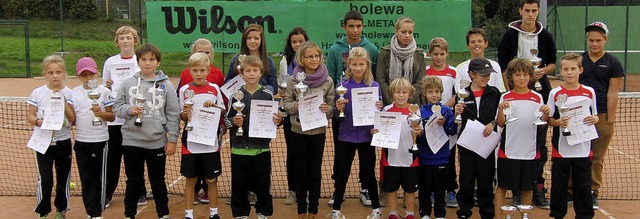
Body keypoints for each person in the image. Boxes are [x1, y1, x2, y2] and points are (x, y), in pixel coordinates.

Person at [497, 0, 557, 208]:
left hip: (538, 91)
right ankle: (515, 190)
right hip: (515, 94)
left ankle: (537, 187)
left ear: (538, 12)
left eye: (534, 11)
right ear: (520, 11)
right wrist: (509, 91)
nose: (530, 14)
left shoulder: (545, 36)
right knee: (513, 141)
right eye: (527, 11)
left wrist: (542, 72)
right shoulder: (510, 35)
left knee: (538, 144)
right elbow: (504, 66)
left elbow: (552, 63)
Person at [113, 43, 180, 219]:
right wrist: (130, 110)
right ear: (138, 61)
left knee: (158, 181)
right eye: (144, 59)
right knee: (133, 181)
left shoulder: (167, 86)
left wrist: (172, 139)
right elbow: (117, 108)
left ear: (158, 62)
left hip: (157, 142)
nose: (148, 63)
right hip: (132, 141)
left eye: (152, 59)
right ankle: (129, 214)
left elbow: (173, 113)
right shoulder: (127, 83)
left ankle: (163, 214)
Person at [326, 10, 379, 207]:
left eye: (358, 26)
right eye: (351, 26)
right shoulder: (334, 49)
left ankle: (366, 188)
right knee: (341, 153)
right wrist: (336, 104)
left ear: (362, 26)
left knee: (367, 154)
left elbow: (375, 76)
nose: (355, 30)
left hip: (366, 115)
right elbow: (330, 78)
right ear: (344, 27)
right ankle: (337, 190)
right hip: (343, 112)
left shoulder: (371, 48)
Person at [225, 55, 282, 219]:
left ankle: (263, 212)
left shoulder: (267, 95)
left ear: (260, 73)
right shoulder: (234, 95)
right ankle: (240, 213)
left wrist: (279, 121)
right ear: (241, 74)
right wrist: (234, 122)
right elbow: (226, 121)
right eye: (248, 70)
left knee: (262, 183)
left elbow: (276, 121)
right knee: (239, 184)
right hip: (239, 149)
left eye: (255, 70)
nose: (251, 74)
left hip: (261, 149)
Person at [284, 41, 335, 219]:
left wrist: (326, 110)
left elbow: (332, 107)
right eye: (309, 56)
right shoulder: (293, 80)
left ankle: (313, 209)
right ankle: (301, 209)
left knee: (315, 171)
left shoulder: (328, 81)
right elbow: (286, 104)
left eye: (316, 56)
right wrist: (296, 106)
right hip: (298, 132)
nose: (314, 59)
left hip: (318, 132)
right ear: (301, 59)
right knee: (300, 170)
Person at [330, 47, 383, 219]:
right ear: (349, 65)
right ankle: (336, 209)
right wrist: (338, 109)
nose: (358, 68)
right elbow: (337, 115)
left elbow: (378, 113)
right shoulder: (342, 87)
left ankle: (376, 209)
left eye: (361, 64)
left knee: (369, 172)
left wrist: (379, 109)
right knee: (342, 173)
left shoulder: (374, 86)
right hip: (346, 136)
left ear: (367, 65)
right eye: (354, 64)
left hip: (367, 136)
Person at [493, 58, 549, 218]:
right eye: (518, 75)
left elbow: (542, 124)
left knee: (527, 187)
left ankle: (525, 215)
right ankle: (498, 216)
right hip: (508, 150)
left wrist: (545, 112)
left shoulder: (537, 98)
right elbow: (501, 123)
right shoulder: (506, 97)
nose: (522, 78)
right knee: (502, 186)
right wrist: (501, 109)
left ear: (530, 77)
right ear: (511, 77)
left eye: (525, 74)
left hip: (530, 150)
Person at [579, 21, 625, 209]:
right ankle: (573, 190)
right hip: (579, 117)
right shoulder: (579, 61)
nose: (594, 44)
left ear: (605, 39)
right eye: (591, 40)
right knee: (577, 156)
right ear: (587, 40)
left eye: (598, 40)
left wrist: (610, 119)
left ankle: (592, 191)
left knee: (597, 157)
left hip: (602, 116)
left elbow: (612, 92)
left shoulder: (613, 63)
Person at [548, 53, 598, 219]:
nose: (569, 72)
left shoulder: (589, 92)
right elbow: (549, 119)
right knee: (559, 185)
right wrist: (558, 122)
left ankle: (584, 215)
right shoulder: (554, 93)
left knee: (583, 185)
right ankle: (557, 214)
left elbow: (595, 115)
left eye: (573, 68)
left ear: (580, 70)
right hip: (561, 149)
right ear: (560, 71)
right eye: (565, 69)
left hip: (583, 148)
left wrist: (595, 118)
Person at [176, 38, 225, 206]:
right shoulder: (184, 89)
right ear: (190, 70)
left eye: (202, 70)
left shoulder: (215, 86)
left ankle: (214, 212)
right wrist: (185, 113)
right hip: (191, 137)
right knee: (191, 177)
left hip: (210, 137)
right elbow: (182, 115)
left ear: (208, 70)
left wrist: (214, 107)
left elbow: (222, 109)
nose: (198, 73)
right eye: (195, 70)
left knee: (211, 178)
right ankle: (189, 213)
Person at [101, 25, 146, 207]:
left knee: (134, 159)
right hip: (115, 121)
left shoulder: (141, 60)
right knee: (112, 160)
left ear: (135, 41)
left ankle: (140, 193)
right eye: (122, 38)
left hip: (135, 118)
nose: (125, 41)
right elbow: (104, 89)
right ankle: (107, 194)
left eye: (129, 38)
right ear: (117, 42)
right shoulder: (110, 62)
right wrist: (108, 84)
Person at [28, 55, 76, 219]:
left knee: (63, 178)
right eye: (50, 72)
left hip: (63, 143)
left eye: (58, 72)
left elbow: (72, 119)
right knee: (46, 179)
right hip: (43, 142)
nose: (54, 75)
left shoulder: (70, 93)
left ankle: (61, 210)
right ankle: (43, 211)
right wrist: (39, 121)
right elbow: (30, 117)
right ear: (45, 74)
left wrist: (62, 101)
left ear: (64, 73)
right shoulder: (38, 93)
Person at [453, 58, 501, 219]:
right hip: (467, 145)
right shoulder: (462, 94)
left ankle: (487, 213)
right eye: (483, 74)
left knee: (485, 182)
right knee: (466, 181)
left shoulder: (494, 93)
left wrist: (493, 123)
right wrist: (456, 111)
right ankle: (464, 212)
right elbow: (455, 119)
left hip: (486, 145)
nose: (486, 78)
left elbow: (499, 117)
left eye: (488, 74)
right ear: (472, 74)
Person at [71, 57, 115, 219]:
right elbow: (73, 118)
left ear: (97, 74)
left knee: (99, 178)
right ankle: (92, 212)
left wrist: (100, 113)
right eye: (84, 75)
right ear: (78, 76)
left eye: (91, 74)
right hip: (81, 142)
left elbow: (111, 116)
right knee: (86, 178)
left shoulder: (104, 92)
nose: (88, 78)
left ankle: (98, 211)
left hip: (100, 141)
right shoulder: (73, 93)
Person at [374, 78, 422, 219]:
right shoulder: (386, 110)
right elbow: (380, 130)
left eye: (404, 92)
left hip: (410, 158)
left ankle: (410, 214)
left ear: (410, 94)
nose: (401, 95)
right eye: (397, 92)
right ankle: (393, 214)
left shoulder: (415, 110)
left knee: (410, 189)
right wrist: (376, 132)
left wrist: (419, 131)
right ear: (391, 94)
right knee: (391, 189)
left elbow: (421, 131)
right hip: (391, 158)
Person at [425, 37, 459, 208]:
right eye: (435, 54)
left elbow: (457, 94)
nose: (438, 57)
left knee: (449, 156)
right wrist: (432, 111)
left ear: (447, 54)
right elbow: (424, 93)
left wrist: (443, 108)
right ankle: (431, 191)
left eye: (442, 54)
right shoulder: (425, 71)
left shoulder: (453, 71)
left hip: (447, 119)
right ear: (430, 54)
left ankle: (451, 190)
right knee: (431, 153)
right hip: (429, 121)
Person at [417, 76, 456, 219]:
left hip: (442, 158)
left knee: (440, 190)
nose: (434, 95)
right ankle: (425, 213)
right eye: (430, 92)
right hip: (425, 159)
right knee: (425, 189)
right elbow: (418, 137)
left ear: (441, 93)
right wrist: (420, 133)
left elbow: (452, 131)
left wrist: (446, 123)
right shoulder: (419, 112)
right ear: (424, 94)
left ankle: (440, 214)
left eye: (437, 91)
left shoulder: (447, 111)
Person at [279, 27, 309, 205]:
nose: (298, 45)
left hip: (310, 115)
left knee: (308, 154)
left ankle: (305, 190)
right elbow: (281, 83)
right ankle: (292, 190)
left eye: (301, 41)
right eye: (294, 42)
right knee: (292, 153)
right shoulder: (285, 61)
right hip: (290, 113)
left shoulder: (313, 61)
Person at [376, 17, 426, 106]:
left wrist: (406, 100)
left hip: (412, 104)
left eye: (410, 32)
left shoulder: (419, 55)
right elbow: (381, 80)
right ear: (396, 31)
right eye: (403, 32)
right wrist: (392, 100)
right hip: (389, 104)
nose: (407, 35)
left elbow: (420, 82)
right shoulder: (385, 53)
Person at [225, 24, 278, 94]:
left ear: (261, 40)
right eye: (249, 38)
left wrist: (258, 88)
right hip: (240, 100)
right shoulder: (236, 59)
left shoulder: (268, 61)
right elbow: (226, 84)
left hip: (260, 101)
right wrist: (238, 81)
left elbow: (274, 88)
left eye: (256, 38)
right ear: (245, 40)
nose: (252, 41)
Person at [456, 28, 506, 93]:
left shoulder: (495, 66)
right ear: (468, 45)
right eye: (472, 42)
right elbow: (458, 93)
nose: (476, 44)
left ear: (486, 44)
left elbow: (500, 90)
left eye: (479, 41)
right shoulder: (460, 68)